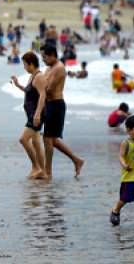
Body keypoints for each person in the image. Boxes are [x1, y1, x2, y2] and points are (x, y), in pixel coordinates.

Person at [40, 44, 85, 178]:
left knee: (48, 139)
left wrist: (40, 85)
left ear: (53, 55)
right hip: (49, 104)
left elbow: (48, 88)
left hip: (56, 105)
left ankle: (48, 172)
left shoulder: (59, 68)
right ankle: (77, 160)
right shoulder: (49, 68)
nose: (43, 60)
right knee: (51, 140)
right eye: (42, 57)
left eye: (45, 57)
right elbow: (42, 85)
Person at [10, 51, 47, 180]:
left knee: (23, 139)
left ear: (31, 64)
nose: (24, 67)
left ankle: (36, 167)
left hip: (36, 115)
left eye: (25, 64)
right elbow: (28, 91)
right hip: (31, 114)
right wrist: (17, 84)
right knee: (36, 143)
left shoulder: (39, 76)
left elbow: (43, 95)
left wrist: (37, 114)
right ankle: (42, 171)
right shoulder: (32, 76)